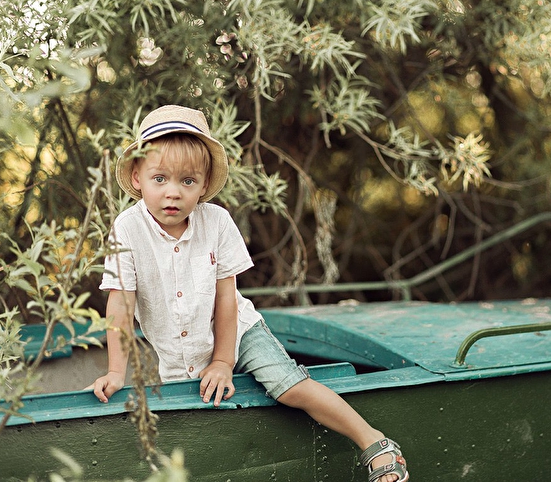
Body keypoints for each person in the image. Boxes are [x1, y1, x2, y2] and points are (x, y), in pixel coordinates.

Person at [87, 105, 409, 482]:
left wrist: (224, 361)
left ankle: (373, 441)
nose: (173, 192)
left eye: (187, 181)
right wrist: (116, 371)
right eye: (160, 179)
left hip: (239, 333)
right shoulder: (127, 229)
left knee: (287, 387)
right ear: (137, 177)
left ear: (204, 184)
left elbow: (227, 298)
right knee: (187, 423)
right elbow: (121, 304)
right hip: (179, 351)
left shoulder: (217, 222)